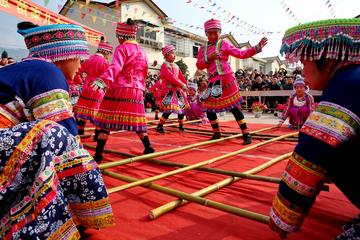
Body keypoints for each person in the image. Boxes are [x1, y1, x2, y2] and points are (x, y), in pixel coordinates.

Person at [0, 22, 115, 239]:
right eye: (80, 59)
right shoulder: (48, 72)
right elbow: (65, 132)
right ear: (65, 54)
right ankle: (71, 217)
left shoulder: (21, 68)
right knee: (57, 137)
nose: (81, 66)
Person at [269, 18, 360, 239]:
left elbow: (314, 148)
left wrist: (284, 213)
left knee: (328, 151)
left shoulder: (348, 83)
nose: (302, 68)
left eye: (304, 60)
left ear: (327, 60)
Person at [92, 18, 155, 162]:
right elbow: (145, 72)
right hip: (137, 89)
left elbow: (116, 67)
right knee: (137, 119)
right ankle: (148, 146)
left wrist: (103, 80)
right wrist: (142, 87)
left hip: (120, 87)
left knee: (107, 121)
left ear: (121, 36)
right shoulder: (142, 51)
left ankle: (98, 154)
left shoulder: (122, 48)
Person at [196, 19, 268, 143]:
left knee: (234, 107)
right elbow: (199, 65)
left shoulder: (224, 44)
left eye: (216, 32)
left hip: (226, 78)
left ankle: (246, 134)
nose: (213, 35)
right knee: (208, 107)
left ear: (220, 32)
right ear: (206, 33)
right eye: (210, 33)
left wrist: (256, 48)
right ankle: (216, 132)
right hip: (213, 80)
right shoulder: (202, 49)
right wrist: (209, 58)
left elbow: (240, 53)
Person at [73, 36, 113, 140]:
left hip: (86, 88)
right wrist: (106, 89)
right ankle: (97, 135)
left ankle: (80, 131)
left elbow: (79, 73)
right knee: (97, 113)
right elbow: (106, 78)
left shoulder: (88, 59)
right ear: (105, 52)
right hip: (97, 89)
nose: (108, 56)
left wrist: (82, 81)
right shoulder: (104, 62)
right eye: (108, 53)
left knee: (83, 113)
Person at [156, 44, 190, 133]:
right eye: (172, 53)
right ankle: (159, 126)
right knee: (168, 110)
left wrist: (186, 85)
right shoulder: (165, 66)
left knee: (181, 109)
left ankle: (181, 126)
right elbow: (171, 77)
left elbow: (181, 76)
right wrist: (182, 85)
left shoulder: (176, 65)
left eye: (175, 53)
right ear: (166, 55)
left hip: (178, 90)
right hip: (170, 91)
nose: (174, 55)